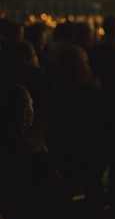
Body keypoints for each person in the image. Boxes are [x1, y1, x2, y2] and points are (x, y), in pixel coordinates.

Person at [0, 83, 72, 219]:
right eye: (31, 105)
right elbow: (62, 199)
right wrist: (42, 150)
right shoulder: (35, 157)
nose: (34, 110)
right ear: (25, 114)